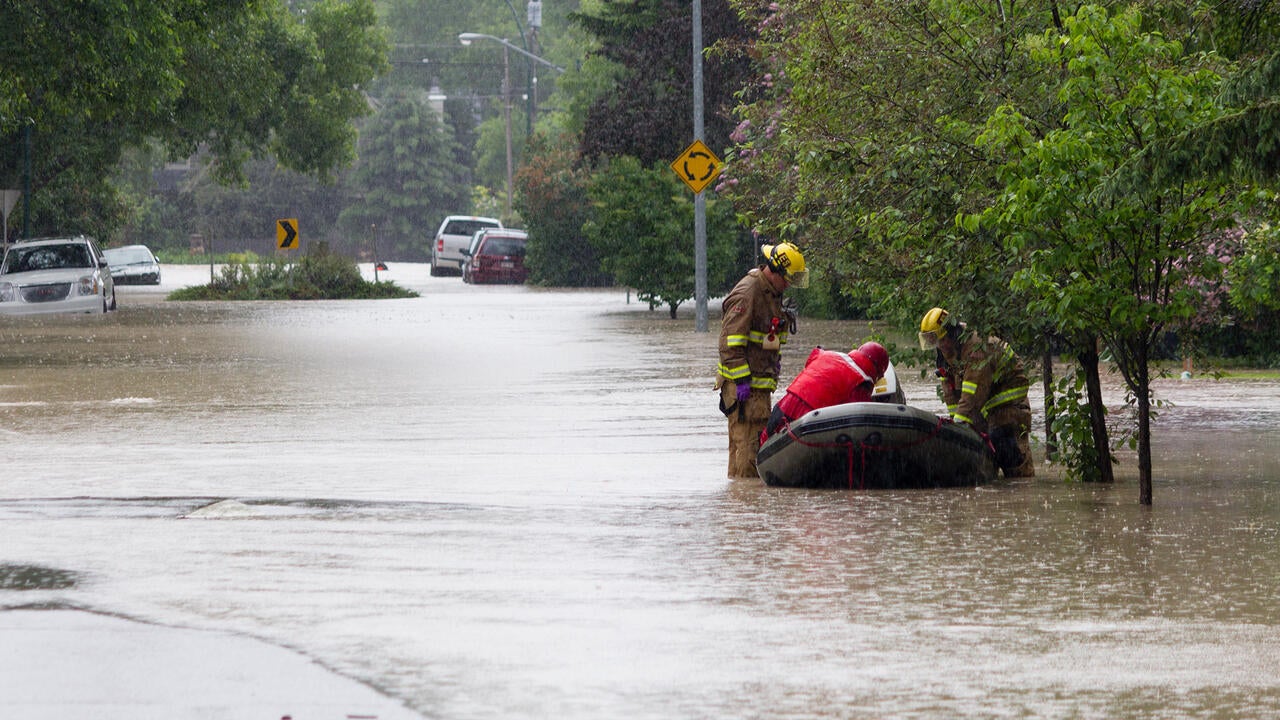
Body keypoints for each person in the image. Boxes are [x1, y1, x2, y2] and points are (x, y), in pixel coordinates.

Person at [717, 241, 809, 479]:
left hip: (758, 389)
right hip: (744, 391)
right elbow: (729, 343)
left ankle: (744, 507)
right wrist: (742, 380)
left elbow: (767, 339)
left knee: (751, 452)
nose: (789, 285)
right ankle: (745, 508)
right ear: (775, 271)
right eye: (788, 279)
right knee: (748, 457)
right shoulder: (749, 293)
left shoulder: (771, 292)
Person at [918, 307, 1035, 477]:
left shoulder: (976, 349)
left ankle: (1021, 490)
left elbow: (972, 394)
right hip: (983, 407)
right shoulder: (945, 353)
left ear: (952, 333)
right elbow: (951, 395)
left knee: (1010, 452)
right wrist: (954, 424)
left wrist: (958, 426)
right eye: (932, 341)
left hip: (1009, 403)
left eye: (939, 339)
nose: (939, 345)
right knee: (983, 457)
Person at [762, 341, 890, 441]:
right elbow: (859, 421)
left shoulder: (827, 354)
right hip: (808, 422)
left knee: (761, 452)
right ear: (877, 371)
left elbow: (810, 363)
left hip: (782, 409)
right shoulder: (862, 383)